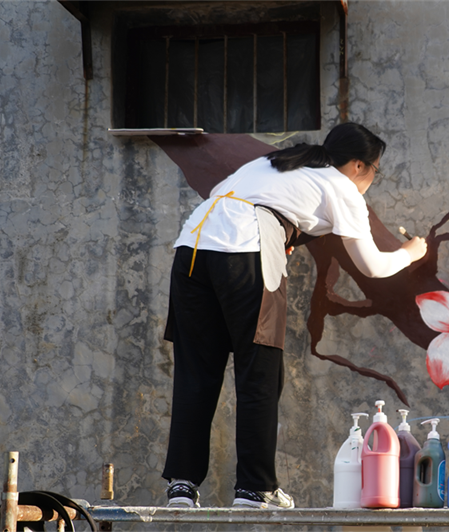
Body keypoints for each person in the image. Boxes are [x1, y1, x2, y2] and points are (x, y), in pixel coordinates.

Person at [161, 123, 428, 509]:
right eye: (374, 171)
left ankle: (182, 486)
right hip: (245, 246)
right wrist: (411, 253)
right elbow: (372, 266)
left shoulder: (275, 162)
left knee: (196, 370)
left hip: (192, 248)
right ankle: (255, 489)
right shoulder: (341, 187)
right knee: (260, 370)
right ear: (358, 166)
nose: (371, 180)